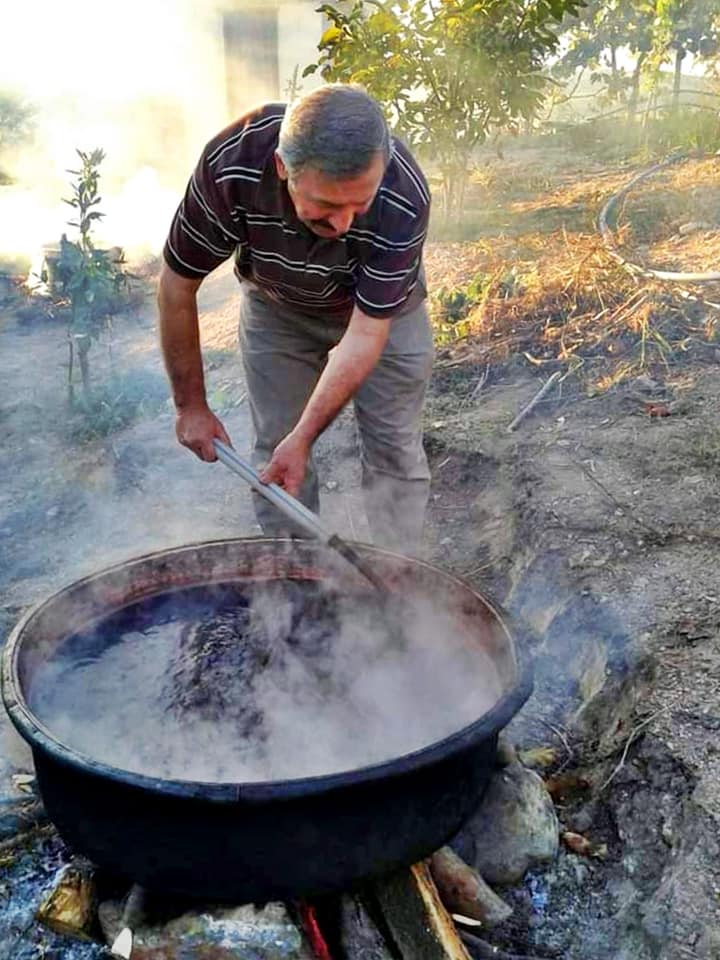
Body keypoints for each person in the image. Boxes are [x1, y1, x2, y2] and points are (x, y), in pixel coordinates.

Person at [158, 84, 434, 555]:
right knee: (276, 448)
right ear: (283, 168)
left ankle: (400, 582)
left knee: (394, 452)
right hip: (277, 308)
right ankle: (295, 582)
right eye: (326, 206)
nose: (344, 224)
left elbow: (367, 331)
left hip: (382, 317)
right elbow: (177, 284)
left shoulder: (403, 193)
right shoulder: (233, 165)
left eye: (359, 205)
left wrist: (305, 437)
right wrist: (191, 406)